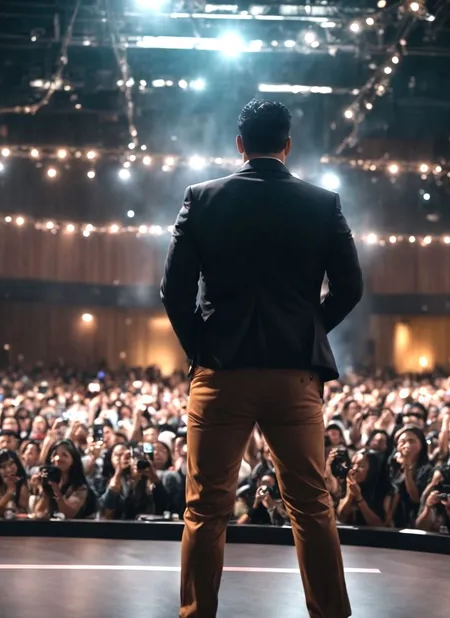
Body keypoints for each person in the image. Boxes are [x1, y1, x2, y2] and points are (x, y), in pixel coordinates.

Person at [161, 99, 362, 618]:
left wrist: (202, 344)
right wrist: (305, 331)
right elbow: (350, 288)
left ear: (239, 144)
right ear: (287, 145)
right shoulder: (322, 203)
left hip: (221, 372)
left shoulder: (202, 198)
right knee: (312, 507)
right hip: (293, 375)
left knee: (206, 509)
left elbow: (173, 290)